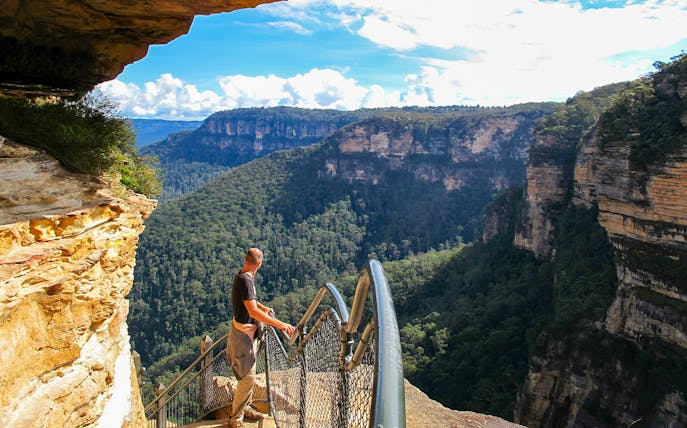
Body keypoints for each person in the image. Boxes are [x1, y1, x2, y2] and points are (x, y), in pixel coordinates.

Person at [226, 248, 295, 428]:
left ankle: (245, 407)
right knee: (247, 378)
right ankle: (236, 419)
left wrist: (264, 308)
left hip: (243, 332)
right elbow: (251, 310)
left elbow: (251, 302)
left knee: (250, 375)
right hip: (243, 335)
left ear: (245, 260)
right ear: (259, 263)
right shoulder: (246, 281)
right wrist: (280, 324)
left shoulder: (241, 275)